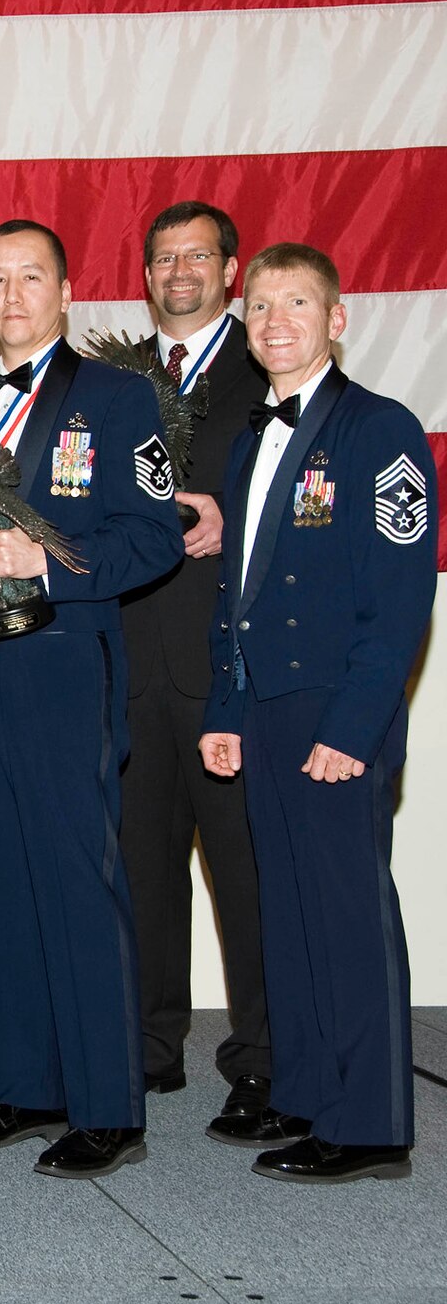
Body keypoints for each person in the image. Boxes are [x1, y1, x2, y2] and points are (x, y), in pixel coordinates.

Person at [0, 219, 183, 1179]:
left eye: (32, 277)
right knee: (8, 881)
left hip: (70, 671)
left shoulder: (117, 400)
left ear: (67, 293)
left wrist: (49, 559)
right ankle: (29, 1085)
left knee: (77, 880)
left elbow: (152, 537)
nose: (13, 294)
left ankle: (111, 1106)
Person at [199, 243, 434, 1184]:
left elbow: (400, 597)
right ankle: (306, 1093)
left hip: (336, 709)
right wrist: (226, 703)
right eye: (259, 306)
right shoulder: (253, 441)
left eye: (297, 302)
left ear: (337, 318)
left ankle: (372, 1123)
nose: (276, 320)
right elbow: (234, 592)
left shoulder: (382, 429)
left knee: (345, 914)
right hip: (263, 709)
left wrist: (354, 725)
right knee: (284, 912)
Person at [117, 202, 277, 1138]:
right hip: (134, 660)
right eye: (163, 256)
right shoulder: (112, 377)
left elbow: (309, 503)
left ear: (229, 269)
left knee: (246, 873)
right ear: (145, 274)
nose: (179, 270)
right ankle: (147, 1044)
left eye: (197, 256)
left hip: (229, 670)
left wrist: (234, 516)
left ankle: (262, 1059)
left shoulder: (270, 370)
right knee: (140, 869)